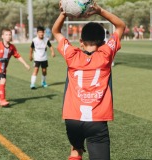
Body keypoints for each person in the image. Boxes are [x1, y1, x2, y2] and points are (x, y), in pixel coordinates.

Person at [52, 1, 125, 160]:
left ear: (81, 42)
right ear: (103, 43)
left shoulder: (71, 55)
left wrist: (64, 12)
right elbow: (120, 26)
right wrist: (100, 11)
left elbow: (56, 31)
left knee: (76, 150)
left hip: (73, 119)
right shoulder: (106, 55)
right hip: (97, 121)